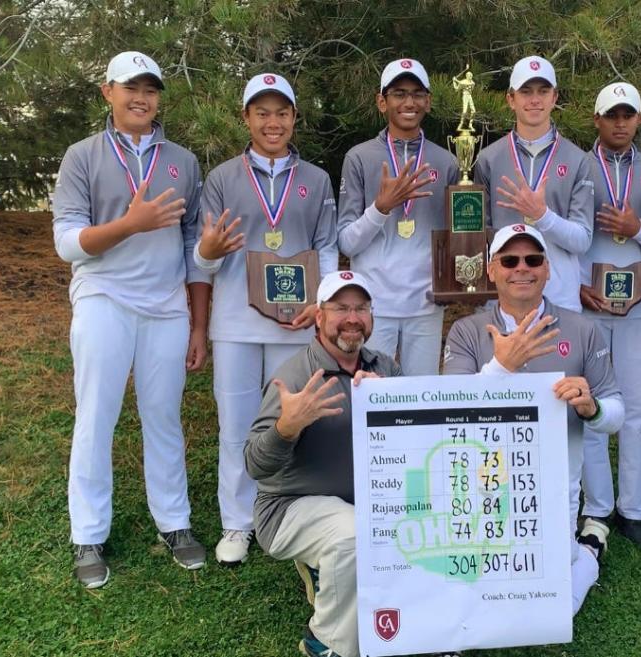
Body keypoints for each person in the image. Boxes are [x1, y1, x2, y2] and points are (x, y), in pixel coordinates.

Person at [52, 51, 208, 588]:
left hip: (165, 305)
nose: (140, 97)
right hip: (104, 297)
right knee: (96, 416)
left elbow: (193, 249)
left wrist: (198, 319)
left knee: (163, 416)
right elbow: (68, 243)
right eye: (129, 87)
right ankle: (88, 532)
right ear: (107, 92)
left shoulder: (183, 161)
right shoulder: (82, 155)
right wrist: (129, 224)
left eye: (150, 88)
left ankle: (174, 523)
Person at [193, 73, 339, 566]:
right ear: (246, 118)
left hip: (294, 324)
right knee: (236, 426)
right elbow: (204, 260)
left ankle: (289, 510)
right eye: (262, 112)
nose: (272, 122)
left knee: (292, 421)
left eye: (282, 112)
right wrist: (209, 252)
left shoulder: (316, 179)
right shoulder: (221, 179)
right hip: (235, 321)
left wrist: (321, 300)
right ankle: (237, 523)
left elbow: (327, 246)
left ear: (295, 118)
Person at [443, 223, 625, 613]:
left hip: (555, 484)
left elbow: (617, 414)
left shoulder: (581, 329)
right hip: (481, 483)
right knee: (476, 590)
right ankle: (584, 549)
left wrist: (592, 408)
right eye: (509, 260)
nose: (521, 268)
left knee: (551, 608)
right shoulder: (467, 331)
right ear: (491, 270)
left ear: (547, 269)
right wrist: (500, 366)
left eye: (533, 259)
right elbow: (452, 410)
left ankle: (586, 555)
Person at [244, 271, 398, 657]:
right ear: (319, 317)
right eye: (340, 308)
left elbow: (411, 445)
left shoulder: (385, 368)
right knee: (350, 537)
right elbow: (255, 465)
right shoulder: (295, 376)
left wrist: (393, 404)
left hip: (366, 502)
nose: (352, 317)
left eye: (361, 307)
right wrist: (287, 426)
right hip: (288, 508)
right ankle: (327, 643)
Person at [578, 83, 641, 549]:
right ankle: (597, 505)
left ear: (638, 119)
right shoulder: (580, 166)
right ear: (596, 120)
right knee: (595, 404)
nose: (620, 122)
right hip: (590, 305)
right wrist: (576, 285)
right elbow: (569, 236)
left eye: (629, 114)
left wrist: (637, 228)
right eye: (611, 115)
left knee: (636, 410)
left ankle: (632, 508)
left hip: (637, 307)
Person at [338, 58, 459, 375]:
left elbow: (455, 238)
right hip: (374, 305)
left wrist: (456, 283)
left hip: (426, 304)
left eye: (418, 94)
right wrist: (380, 207)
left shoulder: (445, 161)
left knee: (422, 398)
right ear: (382, 101)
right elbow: (347, 243)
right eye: (399, 93)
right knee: (374, 398)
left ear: (428, 102)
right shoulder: (359, 158)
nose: (409, 102)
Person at [474, 55, 595, 313]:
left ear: (555, 98)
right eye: (526, 91)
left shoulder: (577, 159)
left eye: (543, 91)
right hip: (501, 302)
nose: (535, 99)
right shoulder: (489, 158)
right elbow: (478, 235)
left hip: (559, 300)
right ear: (511, 99)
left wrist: (541, 215)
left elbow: (582, 240)